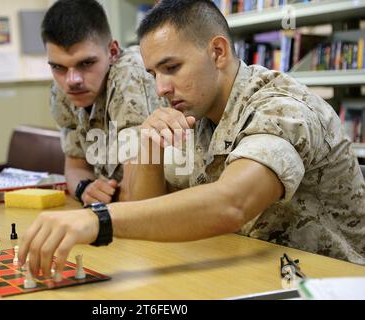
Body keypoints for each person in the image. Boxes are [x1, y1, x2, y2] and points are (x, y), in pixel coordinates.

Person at [19, 0, 365, 277]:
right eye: (154, 73)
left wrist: (99, 218)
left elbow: (231, 203)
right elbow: (144, 210)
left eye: (172, 68)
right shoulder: (195, 112)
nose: (160, 88)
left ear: (217, 52)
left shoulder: (281, 106)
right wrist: (148, 149)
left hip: (329, 280)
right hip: (257, 269)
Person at [43, 0, 166, 206]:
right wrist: (85, 189)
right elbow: (75, 168)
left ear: (113, 52)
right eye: (58, 67)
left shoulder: (130, 73)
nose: (72, 80)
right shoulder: (61, 89)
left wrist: (102, 194)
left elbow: (138, 195)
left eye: (86, 63)